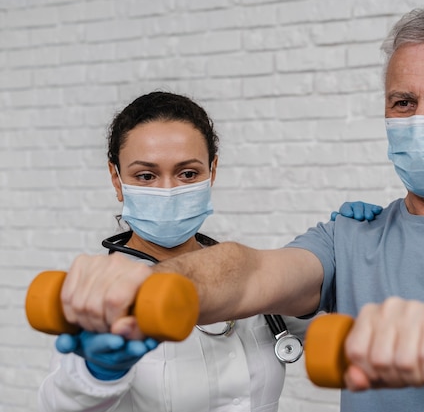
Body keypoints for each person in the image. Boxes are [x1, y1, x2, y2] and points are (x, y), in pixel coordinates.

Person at [56, 6, 424, 412]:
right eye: (403, 103)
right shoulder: (352, 237)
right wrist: (151, 283)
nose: (422, 120)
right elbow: (250, 274)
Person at [37, 91, 379, 412]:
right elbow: (61, 402)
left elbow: (349, 341)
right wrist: (98, 373)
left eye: (188, 173)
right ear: (117, 179)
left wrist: (357, 249)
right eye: (146, 175)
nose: (168, 190)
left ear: (212, 171)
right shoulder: (102, 294)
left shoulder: (242, 275)